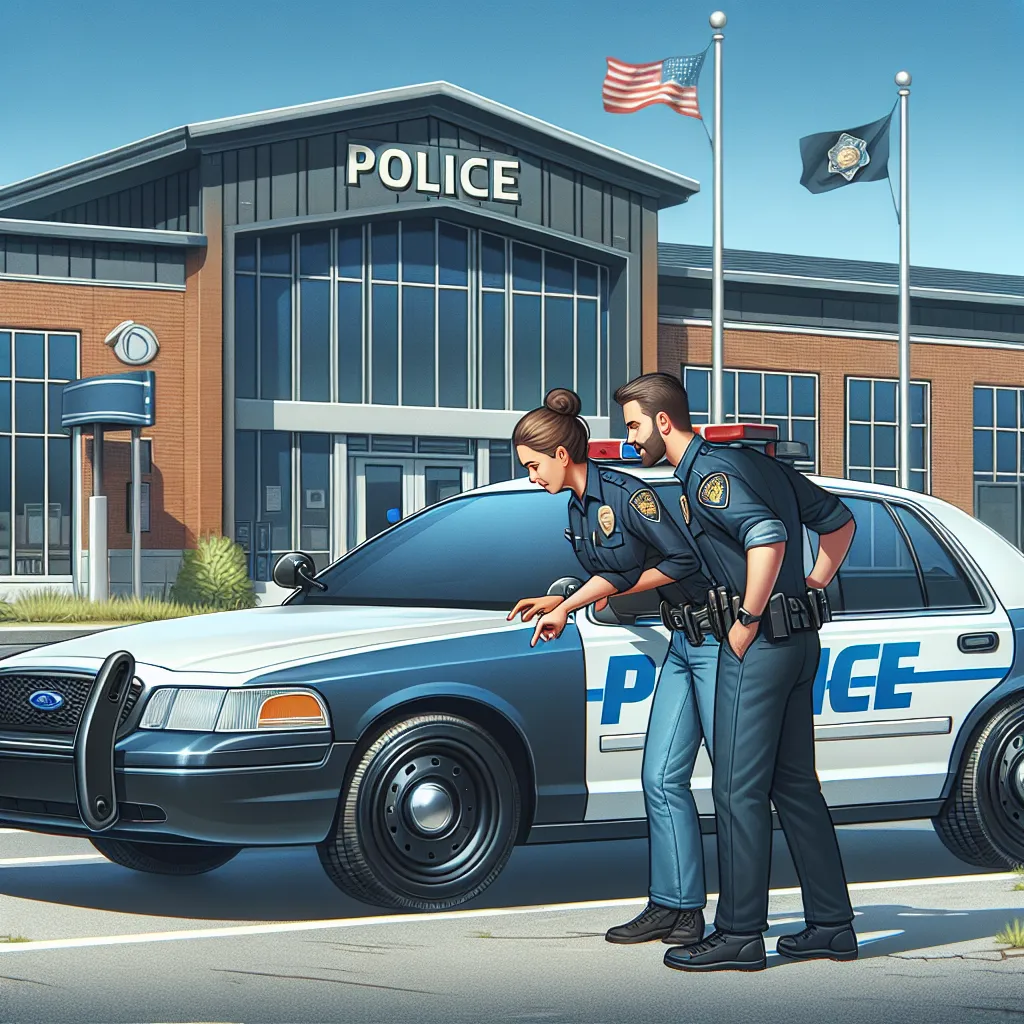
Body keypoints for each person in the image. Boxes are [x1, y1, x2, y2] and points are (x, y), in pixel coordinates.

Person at [614, 372, 858, 973]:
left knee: (736, 790)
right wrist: (810, 589)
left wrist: (748, 617)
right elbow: (840, 522)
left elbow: (767, 537)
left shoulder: (708, 476)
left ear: (663, 421)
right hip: (799, 639)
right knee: (796, 787)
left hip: (760, 646)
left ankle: (739, 935)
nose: (630, 440)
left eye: (634, 426)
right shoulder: (757, 463)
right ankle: (832, 926)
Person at [507, 387, 721, 950]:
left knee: (737, 785)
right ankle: (676, 908)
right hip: (682, 639)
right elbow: (614, 572)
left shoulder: (629, 494)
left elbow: (682, 561)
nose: (532, 478)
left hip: (721, 640)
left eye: (533, 466)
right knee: (659, 777)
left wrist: (591, 596)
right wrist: (560, 606)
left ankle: (742, 922)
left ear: (560, 455)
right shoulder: (579, 508)